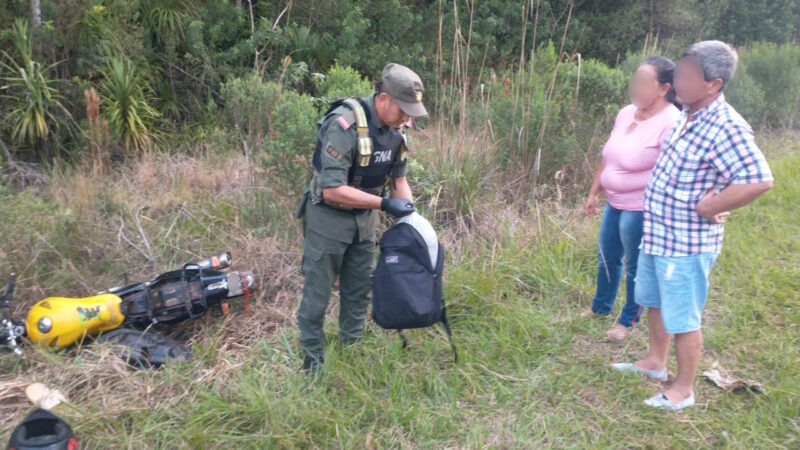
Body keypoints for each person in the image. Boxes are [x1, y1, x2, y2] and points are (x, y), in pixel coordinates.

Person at [612, 41, 774, 410]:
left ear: (713, 84)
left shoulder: (725, 126)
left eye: (685, 76)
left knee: (683, 316)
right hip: (658, 234)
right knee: (654, 302)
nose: (677, 81)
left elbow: (758, 179)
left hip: (686, 243)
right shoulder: (685, 114)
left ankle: (683, 389)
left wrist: (712, 205)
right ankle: (654, 362)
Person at [295, 63, 428, 374]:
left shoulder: (398, 132)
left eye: (412, 112)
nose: (407, 119)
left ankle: (351, 350)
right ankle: (312, 362)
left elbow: (399, 181)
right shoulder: (345, 124)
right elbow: (331, 189)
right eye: (403, 110)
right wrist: (384, 205)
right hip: (328, 219)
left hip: (364, 221)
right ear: (383, 98)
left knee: (358, 290)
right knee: (318, 293)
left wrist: (410, 220)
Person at [583, 56, 681, 342]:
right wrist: (593, 192)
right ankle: (600, 308)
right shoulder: (626, 112)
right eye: (634, 79)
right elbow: (608, 157)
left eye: (643, 82)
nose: (635, 87)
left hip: (641, 209)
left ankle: (627, 321)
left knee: (636, 266)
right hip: (613, 203)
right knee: (607, 258)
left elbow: (672, 172)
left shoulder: (671, 121)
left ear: (663, 88)